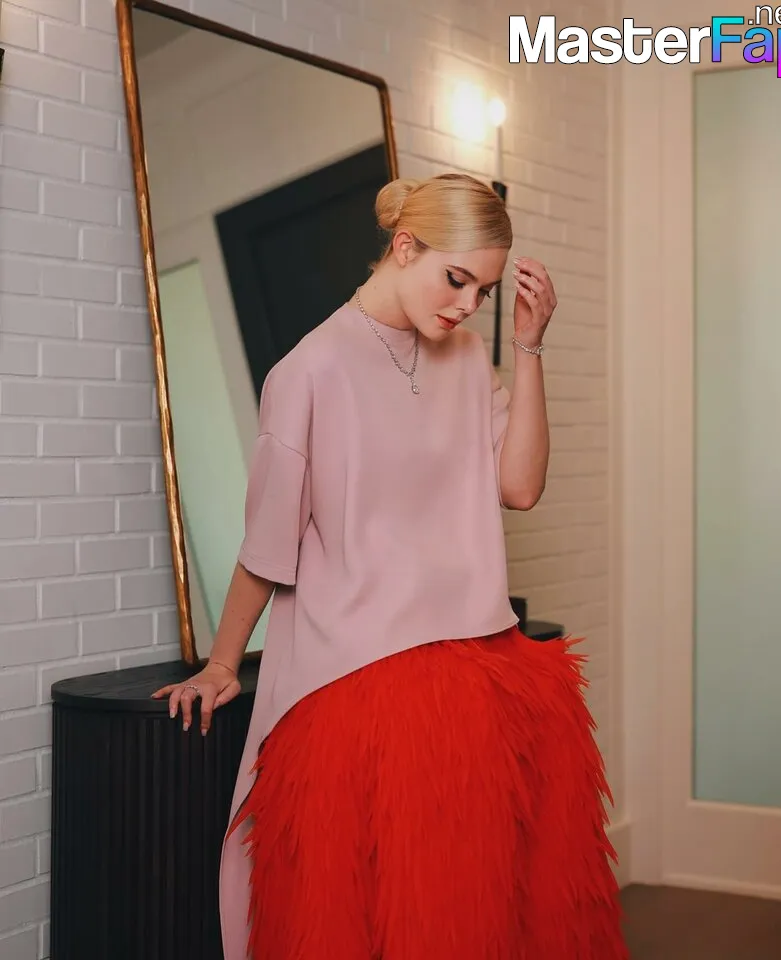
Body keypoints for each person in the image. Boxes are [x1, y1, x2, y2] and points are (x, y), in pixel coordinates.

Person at [153, 172, 628, 959]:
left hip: (480, 672)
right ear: (404, 246)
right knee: (389, 922)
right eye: (457, 279)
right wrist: (223, 663)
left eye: (483, 290)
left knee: (485, 916)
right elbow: (267, 547)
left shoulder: (469, 358)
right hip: (363, 680)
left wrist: (531, 348)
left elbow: (520, 486)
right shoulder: (309, 371)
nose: (467, 305)